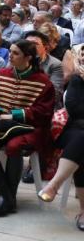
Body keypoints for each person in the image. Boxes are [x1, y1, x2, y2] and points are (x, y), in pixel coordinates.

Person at [0, 39, 55, 216]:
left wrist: (13, 115)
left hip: (30, 128)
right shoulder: (0, 75)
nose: (10, 56)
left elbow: (43, 113)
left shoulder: (44, 82)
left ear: (28, 57)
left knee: (14, 146)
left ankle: (6, 198)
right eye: (10, 52)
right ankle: (6, 197)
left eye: (15, 53)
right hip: (1, 126)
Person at [37, 52, 84, 230]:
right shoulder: (78, 79)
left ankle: (53, 185)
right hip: (73, 130)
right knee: (82, 141)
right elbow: (74, 107)